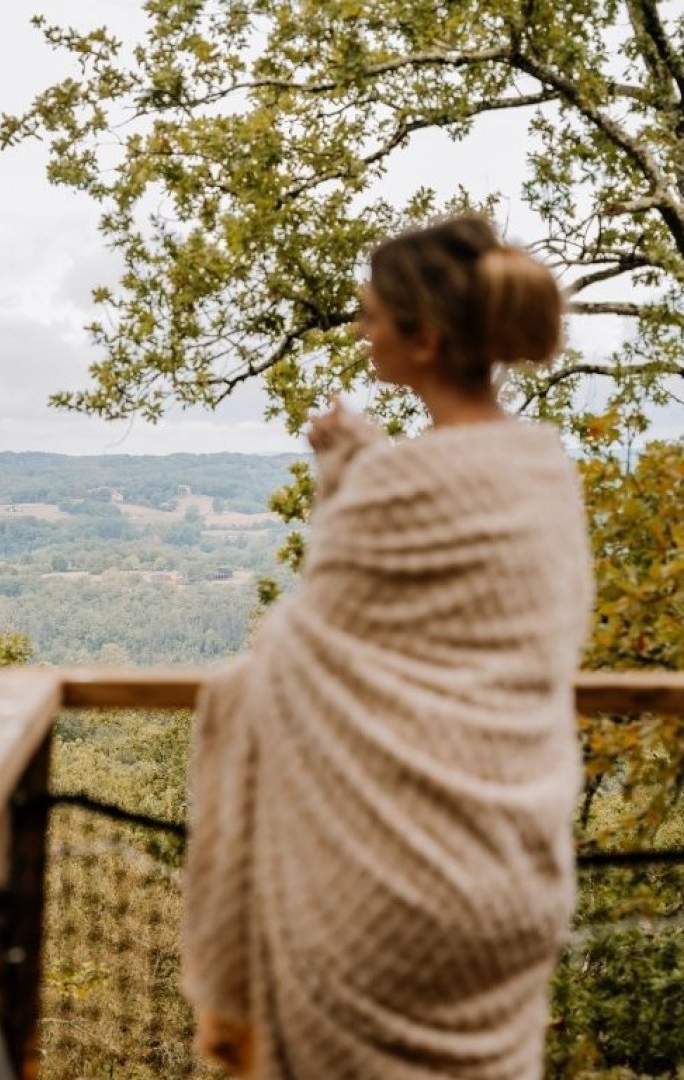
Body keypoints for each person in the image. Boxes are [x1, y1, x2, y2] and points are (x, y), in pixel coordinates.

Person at [180, 215, 595, 1079]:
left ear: (426, 338)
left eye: (372, 317)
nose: (363, 335)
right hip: (515, 875)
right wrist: (362, 470)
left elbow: (301, 649)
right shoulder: (542, 466)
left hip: (388, 892)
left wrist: (349, 478)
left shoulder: (396, 483)